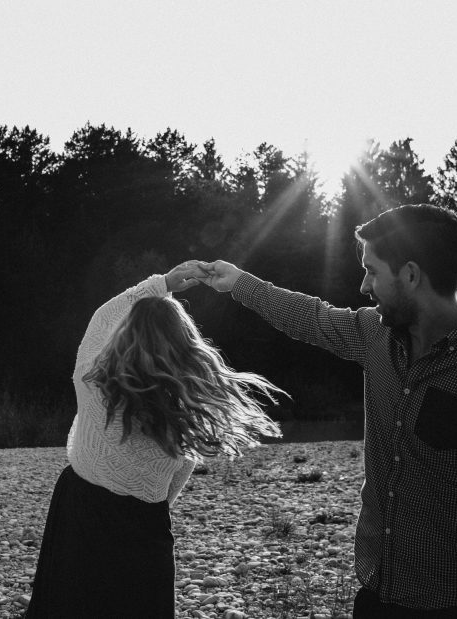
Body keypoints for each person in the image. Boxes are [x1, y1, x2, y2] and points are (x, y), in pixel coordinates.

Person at [198, 204, 457, 619]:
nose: (364, 285)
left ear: (411, 275)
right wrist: (238, 282)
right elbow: (312, 318)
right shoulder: (374, 335)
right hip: (379, 596)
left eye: (372, 270)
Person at [25, 260, 286, 618]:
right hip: (145, 525)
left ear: (124, 334)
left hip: (81, 511)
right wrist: (146, 506)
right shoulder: (182, 413)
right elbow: (176, 478)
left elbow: (101, 320)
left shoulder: (91, 379)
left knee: (70, 603)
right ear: (183, 343)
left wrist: (163, 283)